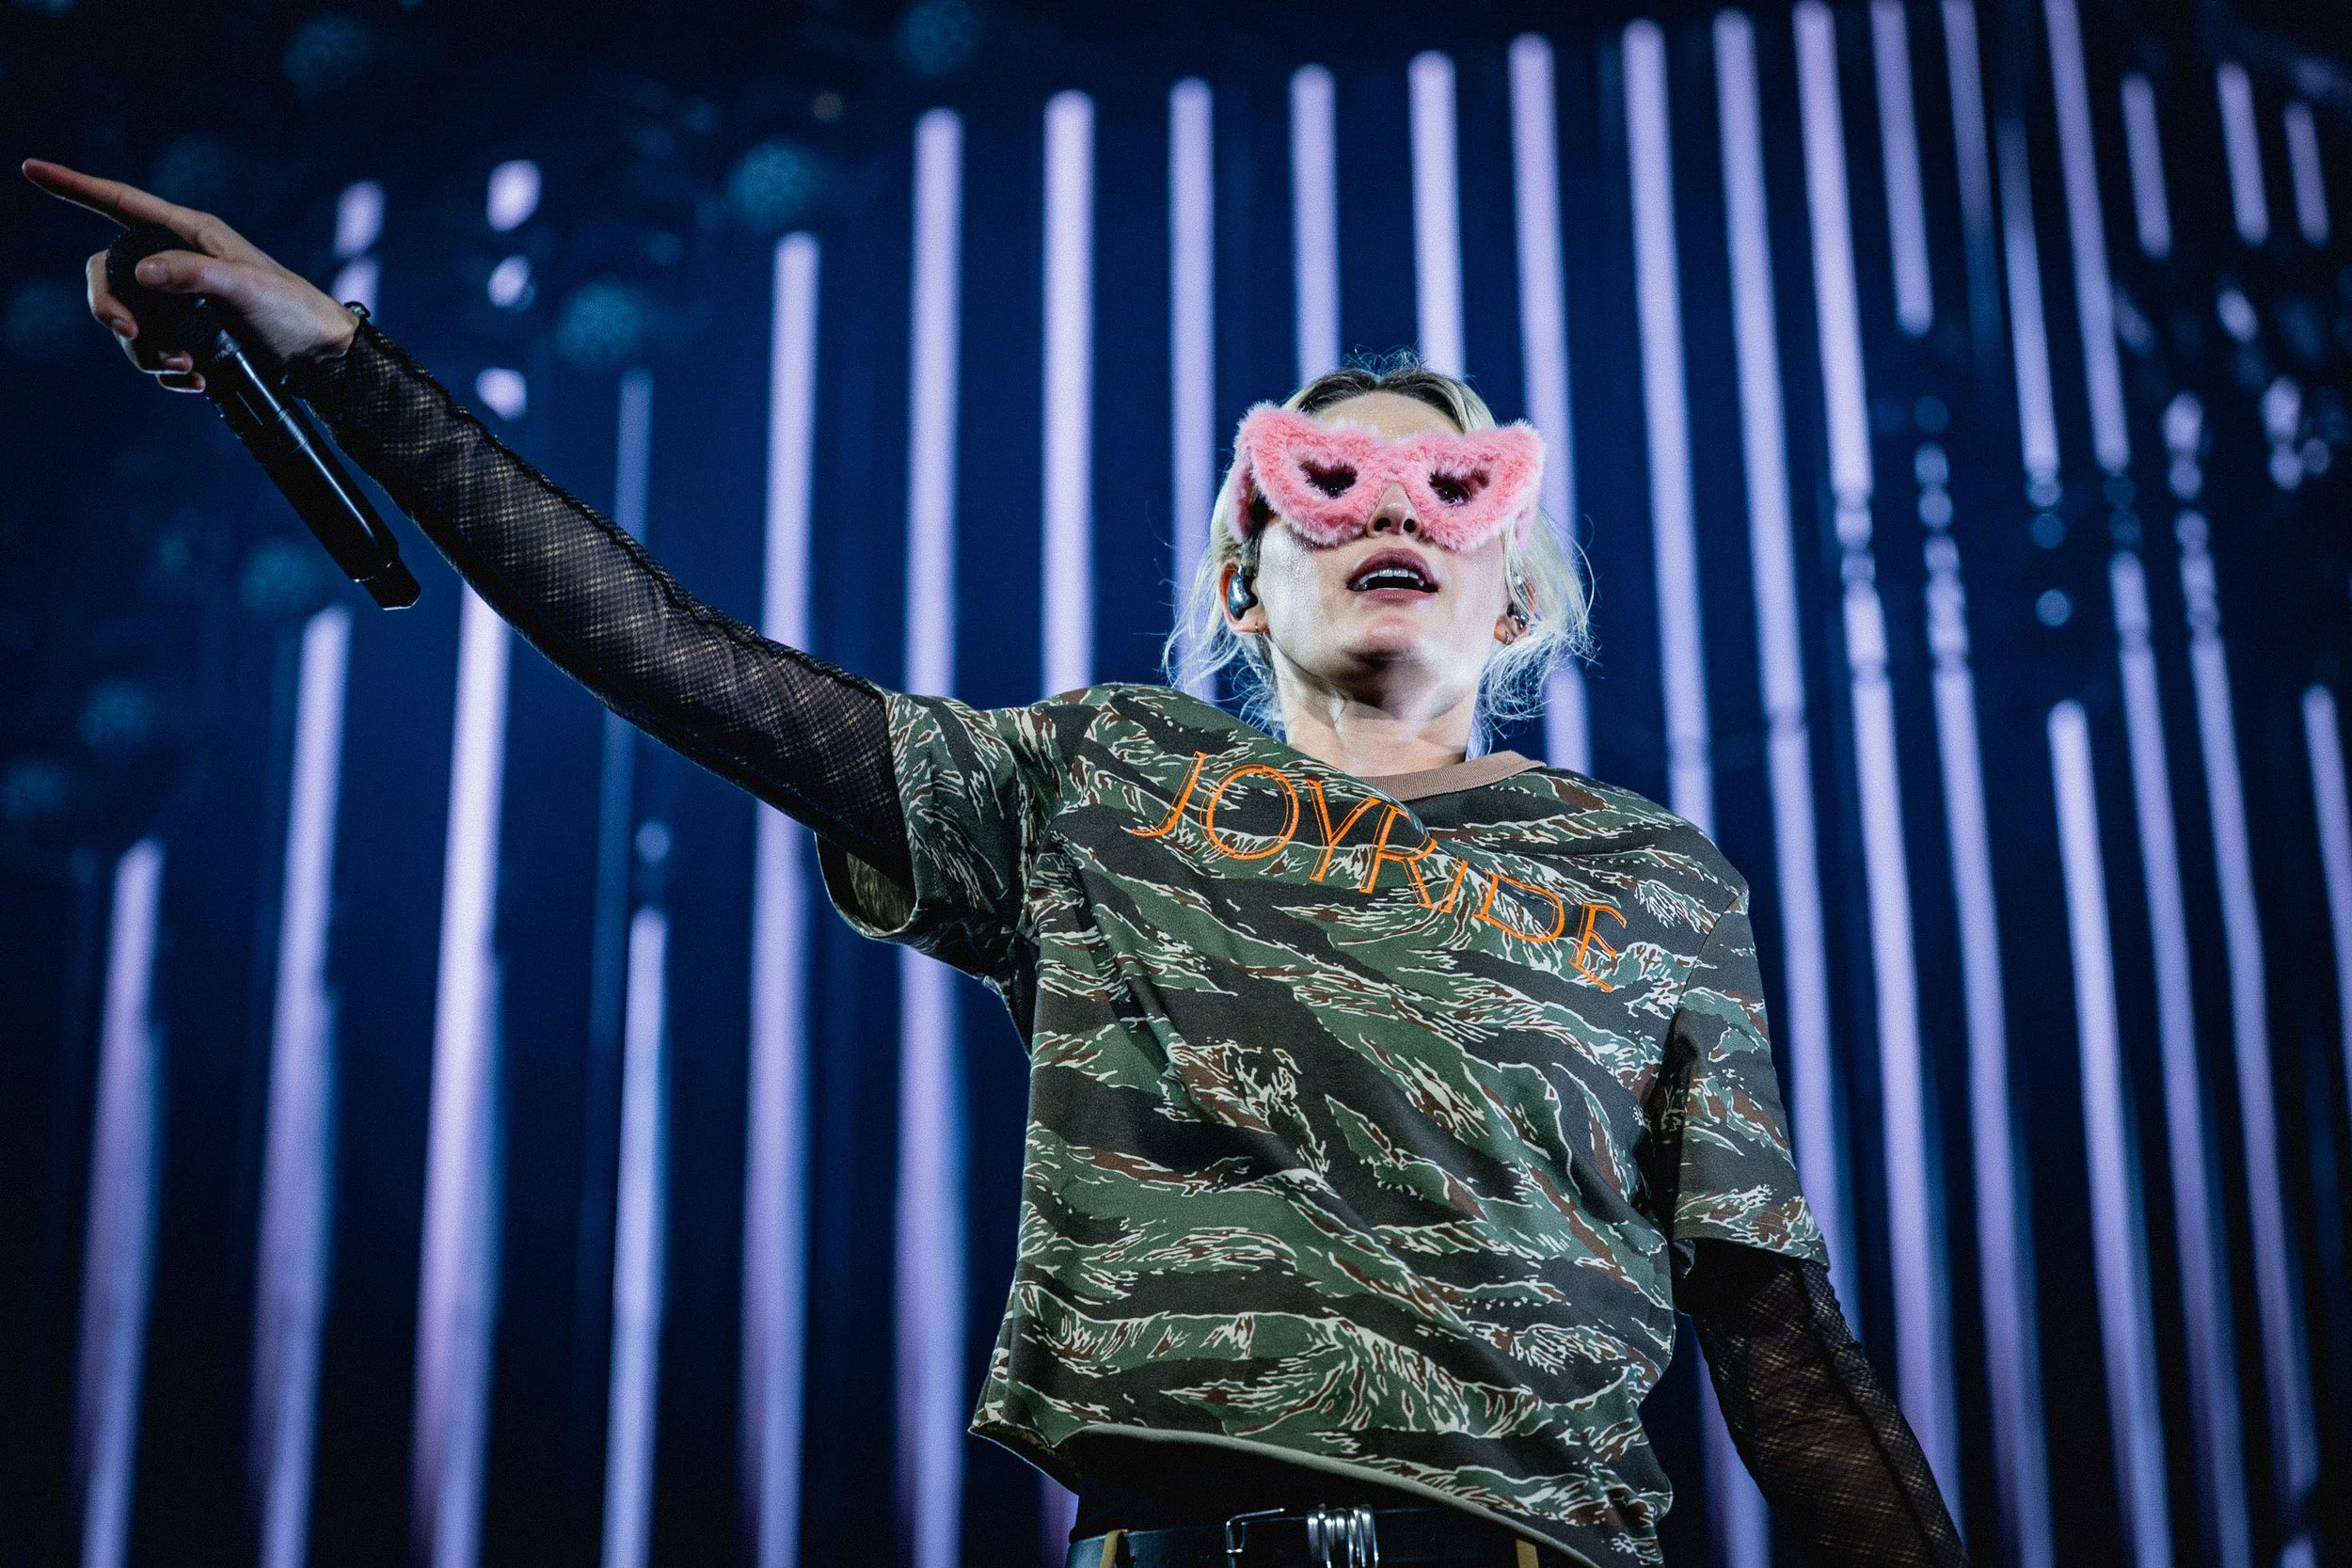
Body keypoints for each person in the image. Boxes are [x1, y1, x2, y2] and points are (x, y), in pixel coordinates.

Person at [30, 160, 1968, 1568]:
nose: (1391, 509)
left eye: (1450, 489)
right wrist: (339, 354)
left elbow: (1772, 1325)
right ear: (1244, 577)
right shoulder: (1098, 777)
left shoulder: (1643, 874)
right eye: (1328, 483)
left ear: (1514, 588)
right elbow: (678, 661)